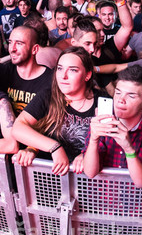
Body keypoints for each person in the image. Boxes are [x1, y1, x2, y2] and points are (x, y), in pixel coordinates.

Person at [12, 47, 101, 175]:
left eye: (72, 70)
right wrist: (54, 147)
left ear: (87, 75)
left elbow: (107, 144)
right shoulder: (48, 96)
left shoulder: (102, 101)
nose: (63, 76)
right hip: (50, 177)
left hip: (85, 180)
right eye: (59, 68)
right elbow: (17, 128)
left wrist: (85, 154)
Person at [83, 65, 142, 187]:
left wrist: (129, 148)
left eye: (131, 96)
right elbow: (90, 173)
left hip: (137, 201)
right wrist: (93, 140)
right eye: (118, 92)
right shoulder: (103, 119)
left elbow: (141, 182)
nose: (120, 100)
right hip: (104, 200)